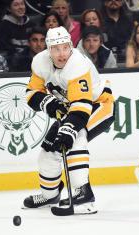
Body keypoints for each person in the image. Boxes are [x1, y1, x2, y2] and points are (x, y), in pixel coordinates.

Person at [23, 26, 115, 214]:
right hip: (71, 110)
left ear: (71, 46)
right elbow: (32, 93)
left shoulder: (78, 64)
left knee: (75, 136)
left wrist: (68, 130)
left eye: (65, 47)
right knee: (48, 150)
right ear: (48, 49)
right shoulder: (40, 62)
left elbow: (82, 106)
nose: (62, 53)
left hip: (99, 105)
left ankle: (84, 194)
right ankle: (50, 195)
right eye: (56, 49)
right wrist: (48, 102)